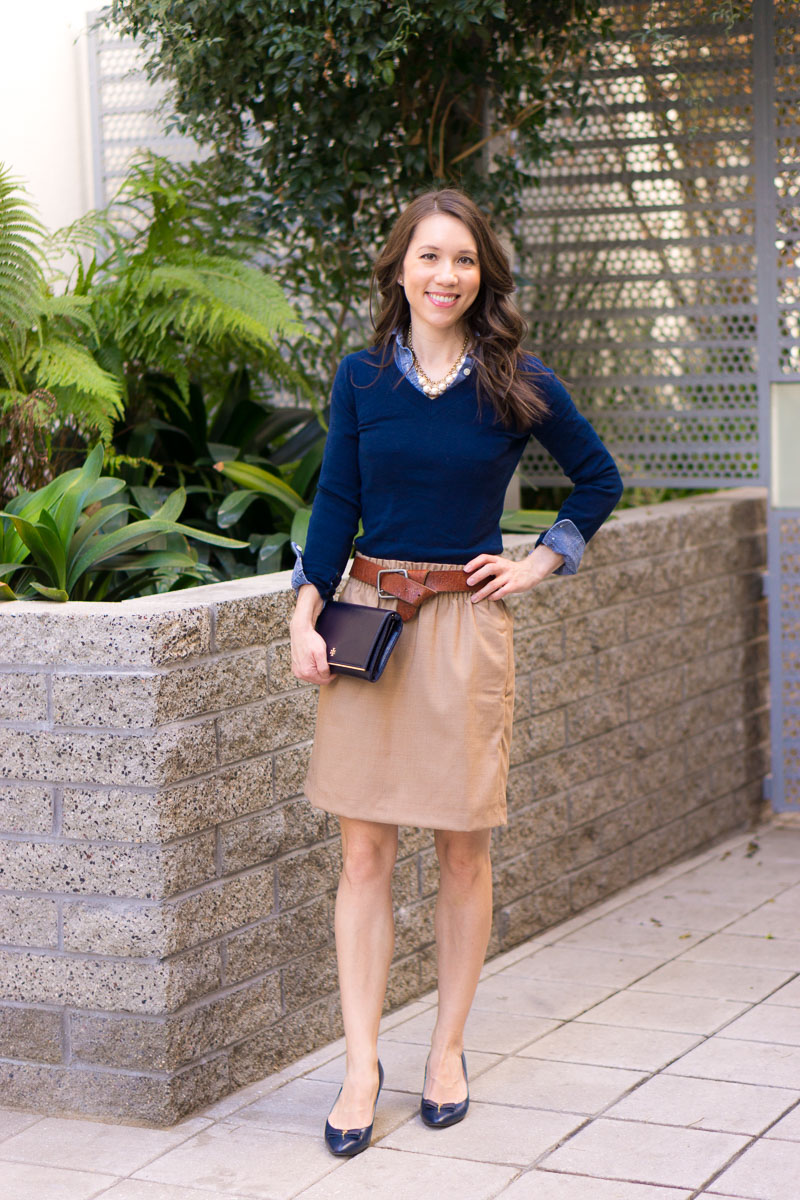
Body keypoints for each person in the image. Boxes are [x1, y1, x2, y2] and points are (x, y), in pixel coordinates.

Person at [289, 188, 623, 1156]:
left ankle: (445, 1050)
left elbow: (596, 478)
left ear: (483, 275)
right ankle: (360, 1065)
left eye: (463, 260)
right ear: (399, 268)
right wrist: (301, 613)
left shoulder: (518, 381)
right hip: (365, 617)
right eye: (428, 257)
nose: (445, 276)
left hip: (464, 631)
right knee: (362, 853)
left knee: (463, 847)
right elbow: (333, 505)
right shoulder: (359, 379)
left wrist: (534, 561)